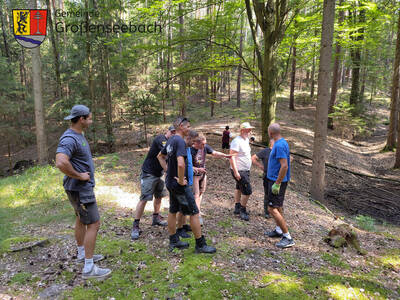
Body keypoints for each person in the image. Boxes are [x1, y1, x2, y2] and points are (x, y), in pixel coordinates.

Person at [55, 105, 111, 279]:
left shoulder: (79, 135)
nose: (91, 121)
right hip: (81, 189)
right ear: (82, 119)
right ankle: (89, 268)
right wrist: (80, 176)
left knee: (81, 219)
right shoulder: (70, 138)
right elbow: (60, 162)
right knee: (94, 223)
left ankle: (82, 253)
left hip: (77, 189)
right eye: (90, 118)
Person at [157, 117, 216, 253]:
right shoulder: (179, 141)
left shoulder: (171, 140)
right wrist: (181, 179)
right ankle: (200, 245)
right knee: (194, 212)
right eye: (187, 126)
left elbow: (160, 156)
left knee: (173, 210)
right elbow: (181, 163)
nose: (189, 128)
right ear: (180, 126)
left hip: (170, 182)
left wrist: (168, 171)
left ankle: (174, 240)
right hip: (178, 185)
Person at [131, 126, 176, 240]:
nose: (173, 135)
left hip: (159, 173)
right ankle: (135, 225)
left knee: (159, 196)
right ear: (169, 132)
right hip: (149, 173)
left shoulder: (171, 142)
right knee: (144, 198)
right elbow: (165, 154)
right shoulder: (161, 139)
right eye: (172, 132)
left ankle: (156, 217)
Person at [264, 123, 295, 248]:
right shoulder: (279, 143)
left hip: (277, 181)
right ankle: (278, 230)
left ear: (271, 133)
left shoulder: (280, 145)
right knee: (278, 206)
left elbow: (285, 166)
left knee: (272, 209)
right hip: (274, 179)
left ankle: (288, 237)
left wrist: (277, 183)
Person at [191, 133, 231, 224]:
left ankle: (198, 209)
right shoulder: (190, 150)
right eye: (202, 144)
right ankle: (197, 216)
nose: (204, 146)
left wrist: (225, 155)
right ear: (196, 143)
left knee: (201, 193)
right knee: (196, 195)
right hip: (194, 175)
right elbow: (187, 165)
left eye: (205, 144)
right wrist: (197, 169)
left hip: (203, 174)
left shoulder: (205, 147)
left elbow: (214, 153)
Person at [229, 122, 254, 221]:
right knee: (247, 191)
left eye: (250, 130)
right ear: (242, 130)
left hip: (245, 169)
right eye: (248, 130)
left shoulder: (246, 139)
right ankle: (242, 210)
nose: (250, 131)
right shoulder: (236, 141)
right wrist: (236, 172)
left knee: (239, 187)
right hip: (240, 170)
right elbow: (232, 157)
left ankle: (237, 206)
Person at [251, 139, 274, 219]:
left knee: (277, 195)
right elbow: (253, 158)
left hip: (277, 177)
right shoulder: (265, 151)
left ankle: (276, 211)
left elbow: (290, 158)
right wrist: (260, 166)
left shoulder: (280, 151)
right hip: (267, 175)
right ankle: (267, 212)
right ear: (271, 143)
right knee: (267, 194)